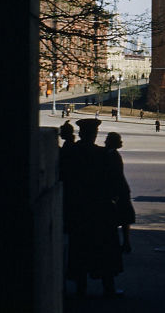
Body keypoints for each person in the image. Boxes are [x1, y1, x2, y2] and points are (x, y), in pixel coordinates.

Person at [66, 119, 125, 297]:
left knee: (80, 249)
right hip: (100, 209)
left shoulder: (73, 152)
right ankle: (109, 287)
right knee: (105, 248)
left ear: (81, 134)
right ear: (94, 135)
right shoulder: (103, 155)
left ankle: (80, 288)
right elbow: (115, 181)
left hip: (79, 208)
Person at [104, 132, 136, 255]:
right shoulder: (111, 154)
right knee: (124, 218)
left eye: (107, 139)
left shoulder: (113, 156)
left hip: (118, 191)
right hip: (121, 190)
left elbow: (114, 176)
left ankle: (125, 243)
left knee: (121, 218)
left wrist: (114, 194)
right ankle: (126, 243)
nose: (105, 141)